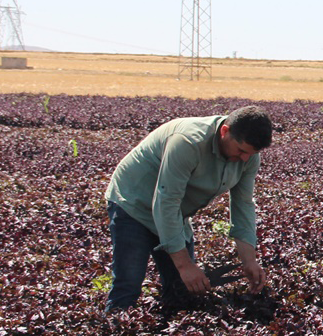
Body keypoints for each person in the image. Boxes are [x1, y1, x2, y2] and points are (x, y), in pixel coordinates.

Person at [104, 105, 273, 312]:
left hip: (174, 211)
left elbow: (243, 204)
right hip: (133, 204)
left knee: (183, 289)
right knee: (128, 283)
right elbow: (167, 201)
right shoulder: (188, 142)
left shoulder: (249, 156)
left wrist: (249, 261)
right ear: (224, 131)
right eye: (241, 150)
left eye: (251, 153)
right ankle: (116, 321)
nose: (245, 158)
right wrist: (184, 265)